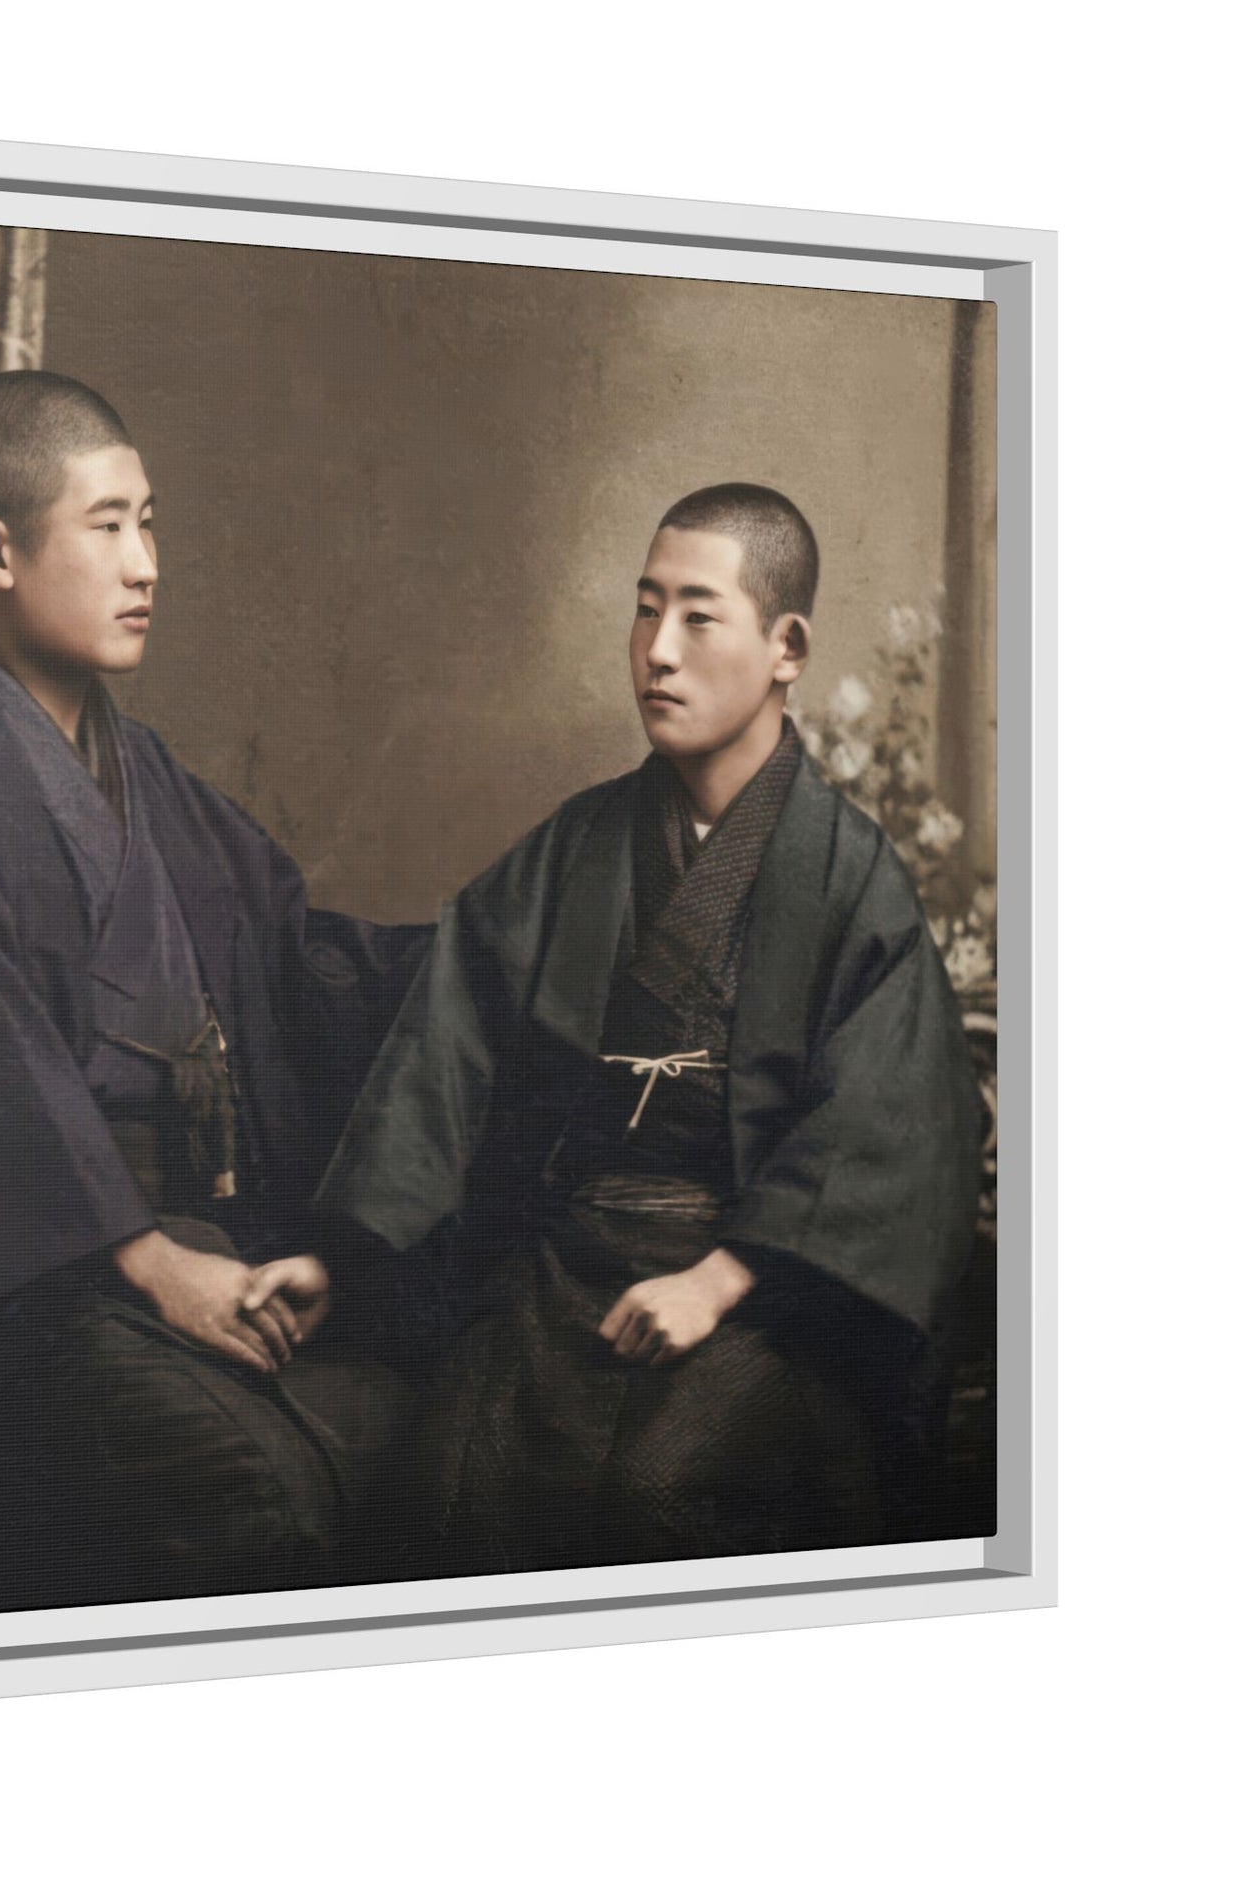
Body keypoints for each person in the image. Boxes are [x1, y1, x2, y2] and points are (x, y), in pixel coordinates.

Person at [0, 370, 426, 1623]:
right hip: (7, 1303)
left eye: (148, 523)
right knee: (261, 1490)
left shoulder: (140, 768)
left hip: (194, 1241)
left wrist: (509, 958)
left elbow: (296, 959)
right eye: (106, 525)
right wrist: (151, 1261)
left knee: (436, 1405)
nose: (145, 564)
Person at [317, 483, 982, 1575]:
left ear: (786, 647)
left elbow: (888, 1127)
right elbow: (446, 1048)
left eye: (697, 616)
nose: (657, 650)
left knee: (657, 1490)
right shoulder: (577, 845)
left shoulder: (850, 878)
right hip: (566, 1264)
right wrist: (342, 1252)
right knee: (445, 1483)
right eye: (644, 609)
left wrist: (717, 1281)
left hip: (760, 1291)